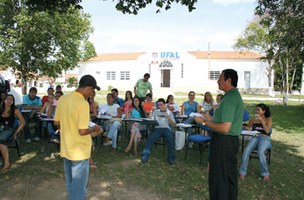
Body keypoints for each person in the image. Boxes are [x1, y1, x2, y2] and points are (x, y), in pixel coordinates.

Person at [195, 69, 244, 200]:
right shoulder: (231, 96)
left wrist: (204, 122)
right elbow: (225, 122)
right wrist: (210, 118)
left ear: (229, 81)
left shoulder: (230, 99)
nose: (218, 81)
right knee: (228, 177)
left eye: (220, 78)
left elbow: (225, 127)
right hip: (228, 142)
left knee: (219, 179)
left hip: (224, 142)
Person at [54, 74, 102, 200]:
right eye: (92, 90)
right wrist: (94, 128)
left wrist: (69, 124)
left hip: (66, 148)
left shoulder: (63, 99)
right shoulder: (83, 103)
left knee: (71, 183)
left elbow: (56, 122)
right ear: (88, 88)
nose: (92, 93)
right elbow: (82, 131)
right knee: (79, 187)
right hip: (79, 151)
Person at [239, 103, 272, 181]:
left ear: (263, 111)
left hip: (265, 138)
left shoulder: (268, 119)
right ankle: (242, 173)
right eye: (256, 109)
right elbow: (248, 128)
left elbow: (267, 131)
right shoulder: (253, 119)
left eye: (258, 110)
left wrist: (262, 121)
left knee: (260, 152)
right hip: (255, 137)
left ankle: (265, 174)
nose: (256, 111)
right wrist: (243, 126)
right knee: (246, 150)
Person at [141, 98, 176, 166]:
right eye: (158, 105)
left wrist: (168, 118)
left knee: (171, 139)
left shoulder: (169, 112)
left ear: (165, 104)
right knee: (150, 139)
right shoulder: (156, 112)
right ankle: (145, 156)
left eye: (161, 104)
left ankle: (171, 159)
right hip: (158, 128)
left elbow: (173, 125)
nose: (160, 106)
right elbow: (150, 119)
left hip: (166, 128)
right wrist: (151, 111)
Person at [0, 94, 25, 173]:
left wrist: (16, 133)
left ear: (13, 102)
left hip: (10, 130)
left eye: (11, 99)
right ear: (4, 100)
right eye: (7, 99)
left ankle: (7, 163)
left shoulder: (15, 110)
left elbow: (23, 122)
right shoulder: (0, 109)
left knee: (1, 141)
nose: (9, 101)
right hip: (1, 128)